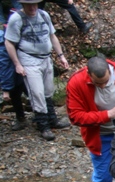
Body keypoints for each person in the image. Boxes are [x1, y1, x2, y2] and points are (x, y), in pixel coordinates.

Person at [4, 0, 70, 141]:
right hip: (28, 59)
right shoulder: (16, 19)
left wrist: (61, 56)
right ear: (23, 4)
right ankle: (43, 125)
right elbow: (9, 42)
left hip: (46, 58)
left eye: (35, 4)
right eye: (29, 5)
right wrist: (17, 64)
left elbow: (52, 36)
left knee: (48, 90)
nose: (33, 7)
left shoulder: (44, 15)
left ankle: (52, 119)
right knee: (37, 92)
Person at [0, 3, 28, 131]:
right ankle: (41, 118)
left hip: (22, 67)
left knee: (21, 90)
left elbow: (5, 64)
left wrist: (6, 88)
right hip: (19, 67)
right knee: (19, 91)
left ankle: (41, 118)